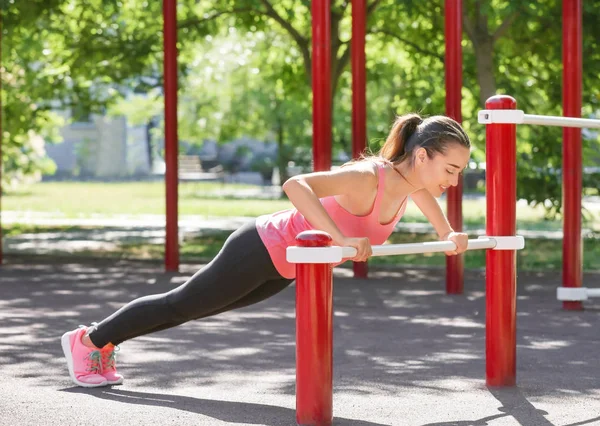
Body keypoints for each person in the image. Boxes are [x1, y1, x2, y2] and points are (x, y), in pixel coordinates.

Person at [61, 113, 471, 388]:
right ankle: (89, 340)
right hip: (261, 246)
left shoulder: (411, 186)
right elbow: (296, 186)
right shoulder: (369, 177)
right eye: (450, 169)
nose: (453, 181)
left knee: (196, 308)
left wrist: (449, 233)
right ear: (420, 155)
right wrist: (340, 239)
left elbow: (424, 198)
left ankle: (105, 343)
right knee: (182, 304)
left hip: (285, 267)